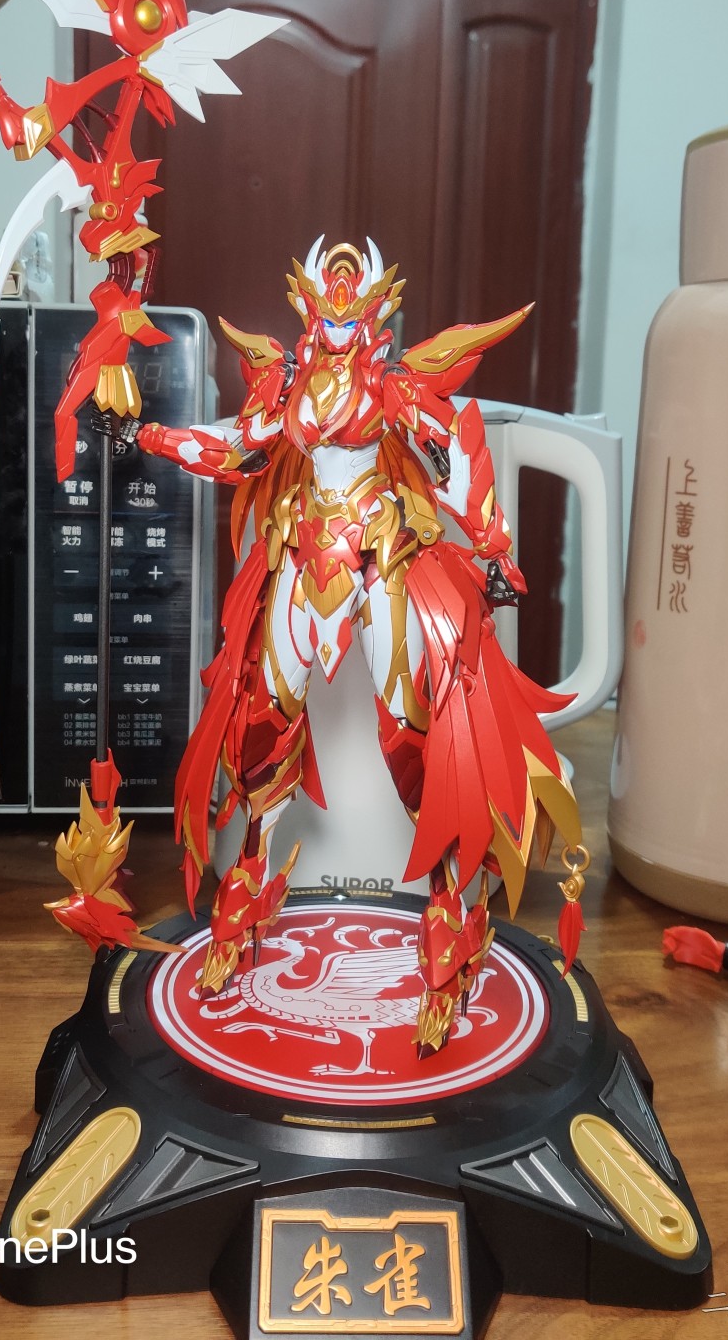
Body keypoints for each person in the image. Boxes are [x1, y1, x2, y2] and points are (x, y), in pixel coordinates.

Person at [136, 237, 585, 1055]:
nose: (340, 314)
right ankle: (241, 912)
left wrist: (492, 547)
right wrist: (148, 436)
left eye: (354, 302)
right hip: (303, 558)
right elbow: (236, 448)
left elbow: (457, 462)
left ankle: (449, 931)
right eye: (328, 302)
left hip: (381, 559)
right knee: (259, 732)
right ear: (308, 304)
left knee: (417, 740)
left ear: (376, 308)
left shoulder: (398, 385)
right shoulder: (284, 383)